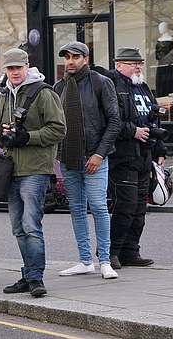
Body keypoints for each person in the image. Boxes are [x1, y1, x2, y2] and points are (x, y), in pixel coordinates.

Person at [0, 48, 66, 297]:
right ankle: (28, 274)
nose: (14, 72)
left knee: (31, 224)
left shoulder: (44, 92)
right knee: (18, 227)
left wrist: (27, 137)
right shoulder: (3, 95)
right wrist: (1, 136)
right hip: (11, 168)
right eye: (10, 68)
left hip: (35, 168)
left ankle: (36, 278)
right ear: (5, 70)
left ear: (27, 66)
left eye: (18, 68)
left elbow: (59, 129)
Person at [53, 42, 120, 280]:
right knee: (77, 209)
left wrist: (99, 154)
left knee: (99, 207)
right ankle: (84, 260)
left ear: (86, 59)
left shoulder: (101, 82)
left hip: (94, 156)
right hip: (69, 157)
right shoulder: (59, 86)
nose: (70, 61)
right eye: (66, 57)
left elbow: (114, 121)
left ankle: (104, 260)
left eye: (75, 57)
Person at [95, 47, 167, 270]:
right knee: (124, 206)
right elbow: (108, 121)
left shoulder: (143, 87)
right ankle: (110, 252)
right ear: (119, 65)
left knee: (139, 208)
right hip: (122, 156)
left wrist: (160, 150)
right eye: (132, 63)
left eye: (139, 63)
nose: (138, 66)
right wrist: (132, 131)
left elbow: (154, 119)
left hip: (144, 155)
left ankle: (131, 251)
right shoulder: (112, 85)